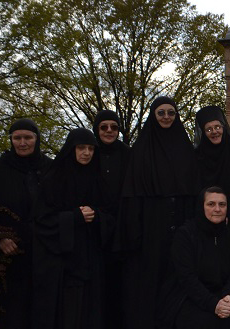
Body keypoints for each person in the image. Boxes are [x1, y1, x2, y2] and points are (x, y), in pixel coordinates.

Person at [115, 96, 198, 329]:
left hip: (180, 225)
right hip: (149, 229)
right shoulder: (141, 151)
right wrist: (135, 233)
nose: (166, 118)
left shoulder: (185, 149)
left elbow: (192, 191)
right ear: (153, 115)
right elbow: (132, 195)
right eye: (161, 113)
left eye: (171, 113)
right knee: (148, 287)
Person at [32, 128, 112, 329]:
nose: (87, 153)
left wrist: (96, 216)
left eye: (91, 149)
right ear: (71, 150)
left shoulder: (99, 179)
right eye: (81, 148)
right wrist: (74, 217)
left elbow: (111, 214)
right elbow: (42, 219)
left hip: (92, 258)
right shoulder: (53, 179)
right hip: (62, 263)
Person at [0, 119, 53, 329]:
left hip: (43, 252)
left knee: (42, 309)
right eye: (17, 138)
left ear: (36, 140)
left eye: (27, 138)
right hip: (9, 254)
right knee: (12, 311)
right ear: (11, 140)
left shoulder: (50, 168)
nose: (22, 143)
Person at [158, 187, 230, 329]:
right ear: (201, 207)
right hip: (190, 297)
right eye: (211, 204)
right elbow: (187, 278)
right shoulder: (185, 235)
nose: (217, 209)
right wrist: (213, 304)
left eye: (222, 204)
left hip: (222, 294)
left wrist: (228, 297)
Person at [92, 109, 129, 328]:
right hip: (93, 229)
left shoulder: (127, 155)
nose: (109, 131)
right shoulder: (89, 152)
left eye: (113, 127)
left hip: (120, 231)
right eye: (103, 127)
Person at [193, 106, 230, 194]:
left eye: (217, 127)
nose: (214, 132)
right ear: (203, 133)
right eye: (209, 129)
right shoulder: (196, 157)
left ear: (223, 128)